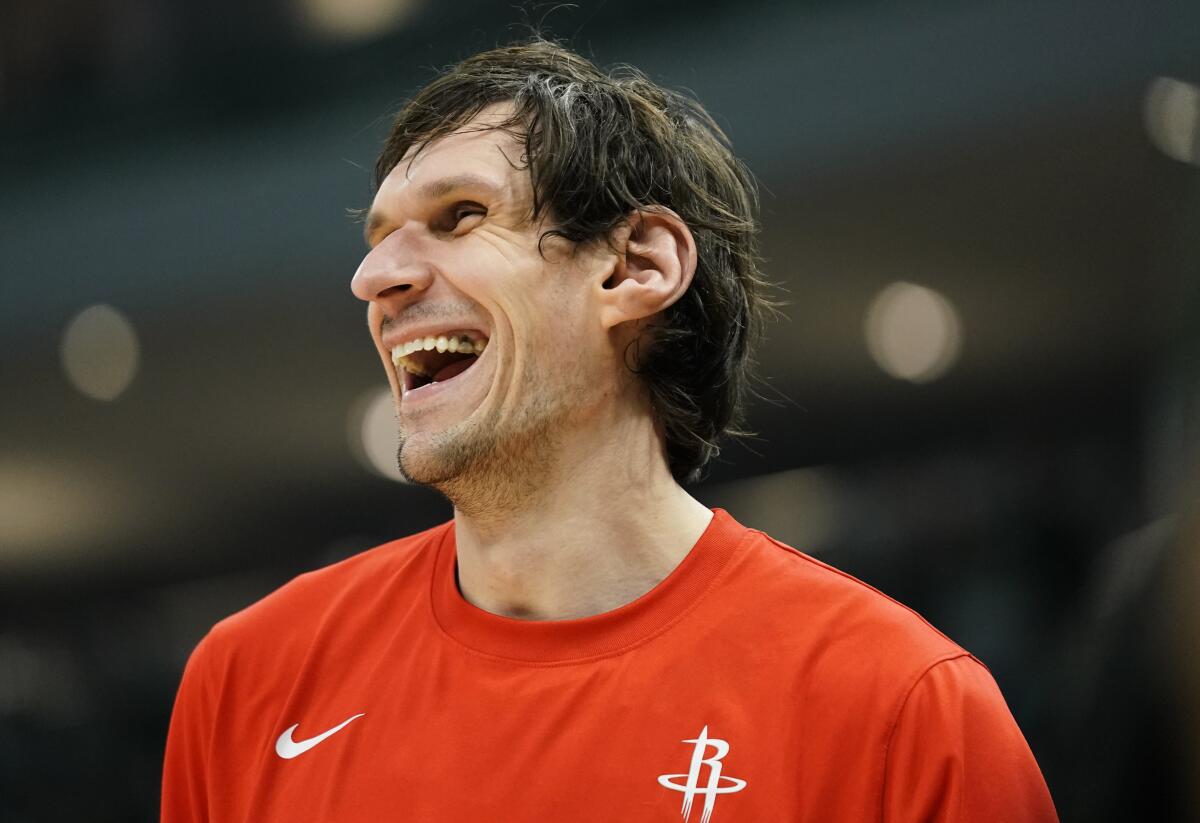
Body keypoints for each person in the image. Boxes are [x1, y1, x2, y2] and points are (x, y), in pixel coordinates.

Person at [161, 39, 1058, 822]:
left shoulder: (900, 709)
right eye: (380, 235)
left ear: (636, 265)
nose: (374, 277)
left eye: (459, 217)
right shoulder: (249, 682)